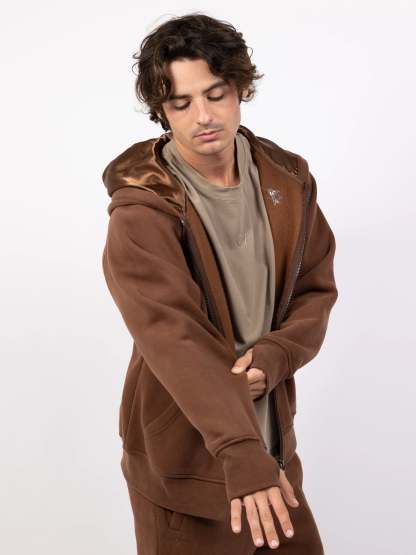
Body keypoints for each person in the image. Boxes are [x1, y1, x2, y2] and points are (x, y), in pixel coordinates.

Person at [101, 12, 338, 554]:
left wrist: (276, 355)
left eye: (216, 94)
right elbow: (171, 334)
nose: (203, 117)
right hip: (189, 464)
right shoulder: (142, 208)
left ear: (240, 88)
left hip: (272, 448)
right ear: (161, 111)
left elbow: (315, 289)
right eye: (181, 103)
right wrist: (238, 451)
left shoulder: (287, 179)